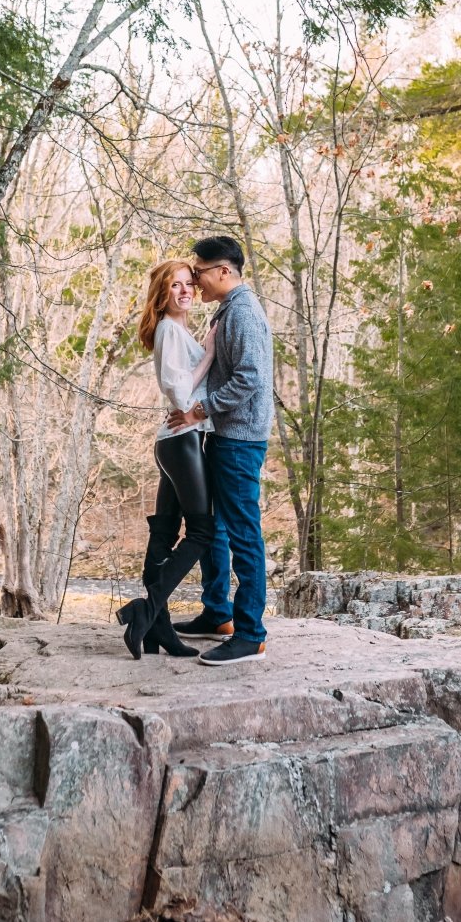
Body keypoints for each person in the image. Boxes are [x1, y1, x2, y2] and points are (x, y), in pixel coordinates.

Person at [167, 234, 273, 665]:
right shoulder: (228, 313)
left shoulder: (243, 314)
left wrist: (200, 411)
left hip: (240, 440)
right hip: (226, 435)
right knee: (219, 527)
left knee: (244, 532)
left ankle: (251, 635)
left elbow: (250, 378)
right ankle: (218, 613)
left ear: (224, 271)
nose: (195, 281)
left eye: (199, 273)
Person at [117, 260, 217, 659]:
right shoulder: (170, 330)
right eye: (175, 286)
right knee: (201, 532)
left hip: (174, 441)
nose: (185, 291)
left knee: (163, 533)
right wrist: (208, 355)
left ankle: (156, 629)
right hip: (182, 440)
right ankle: (147, 608)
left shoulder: (173, 330)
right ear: (163, 293)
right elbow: (178, 391)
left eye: (189, 284)